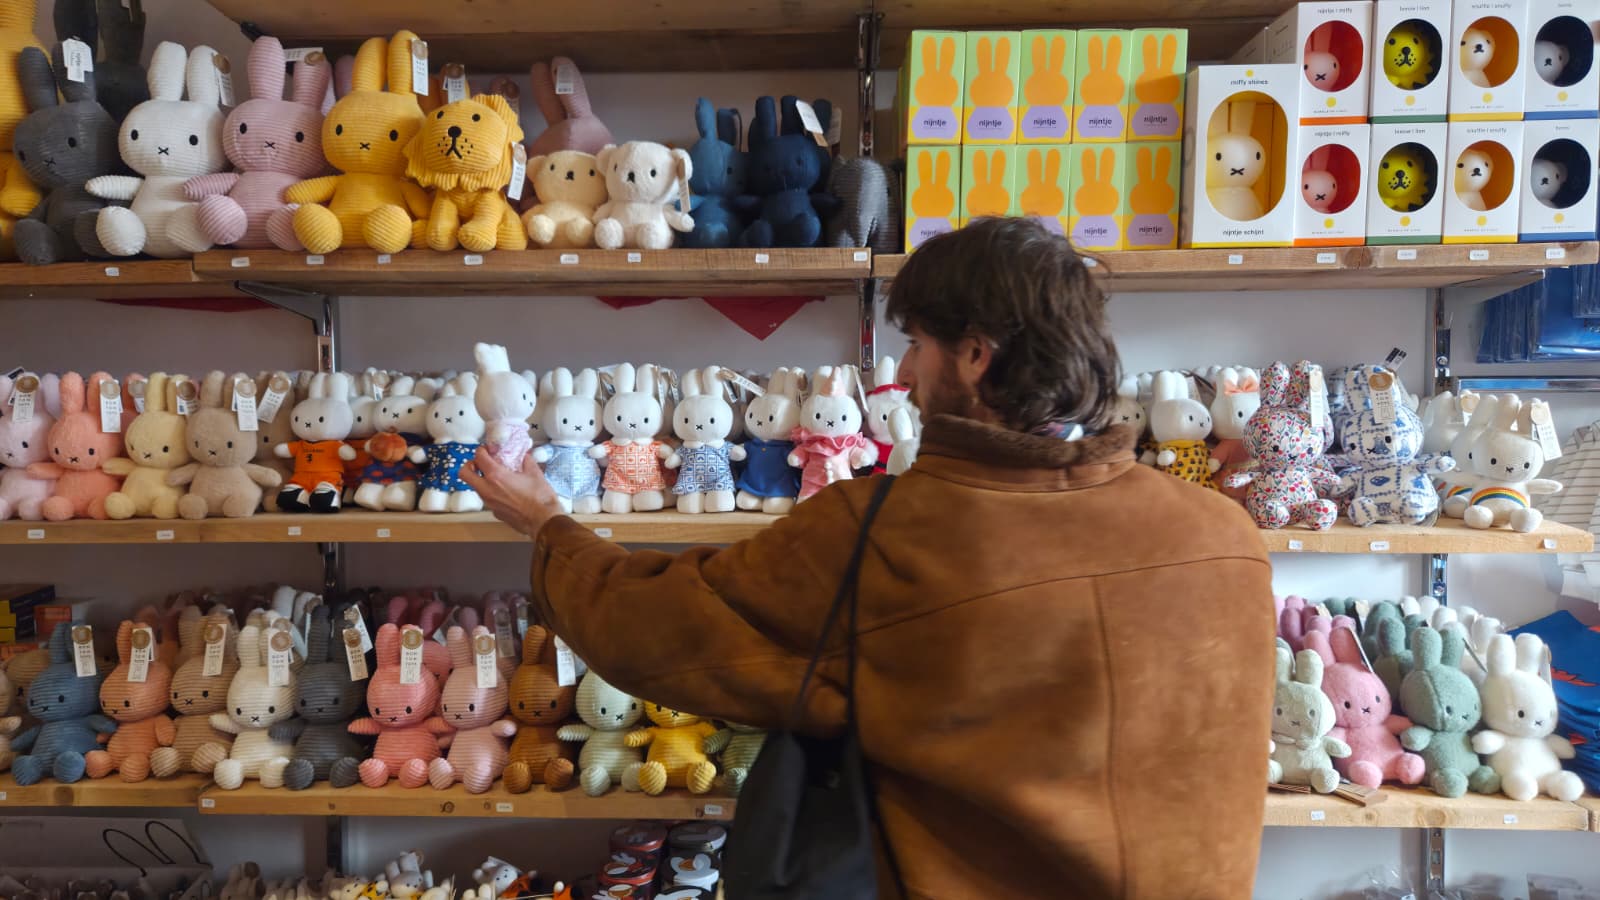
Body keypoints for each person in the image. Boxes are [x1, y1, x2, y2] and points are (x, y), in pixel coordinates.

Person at [462, 217, 1275, 899]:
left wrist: (546, 526)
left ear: (974, 357)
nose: (909, 374)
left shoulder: (886, 532)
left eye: (919, 344)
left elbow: (662, 629)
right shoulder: (1224, 538)